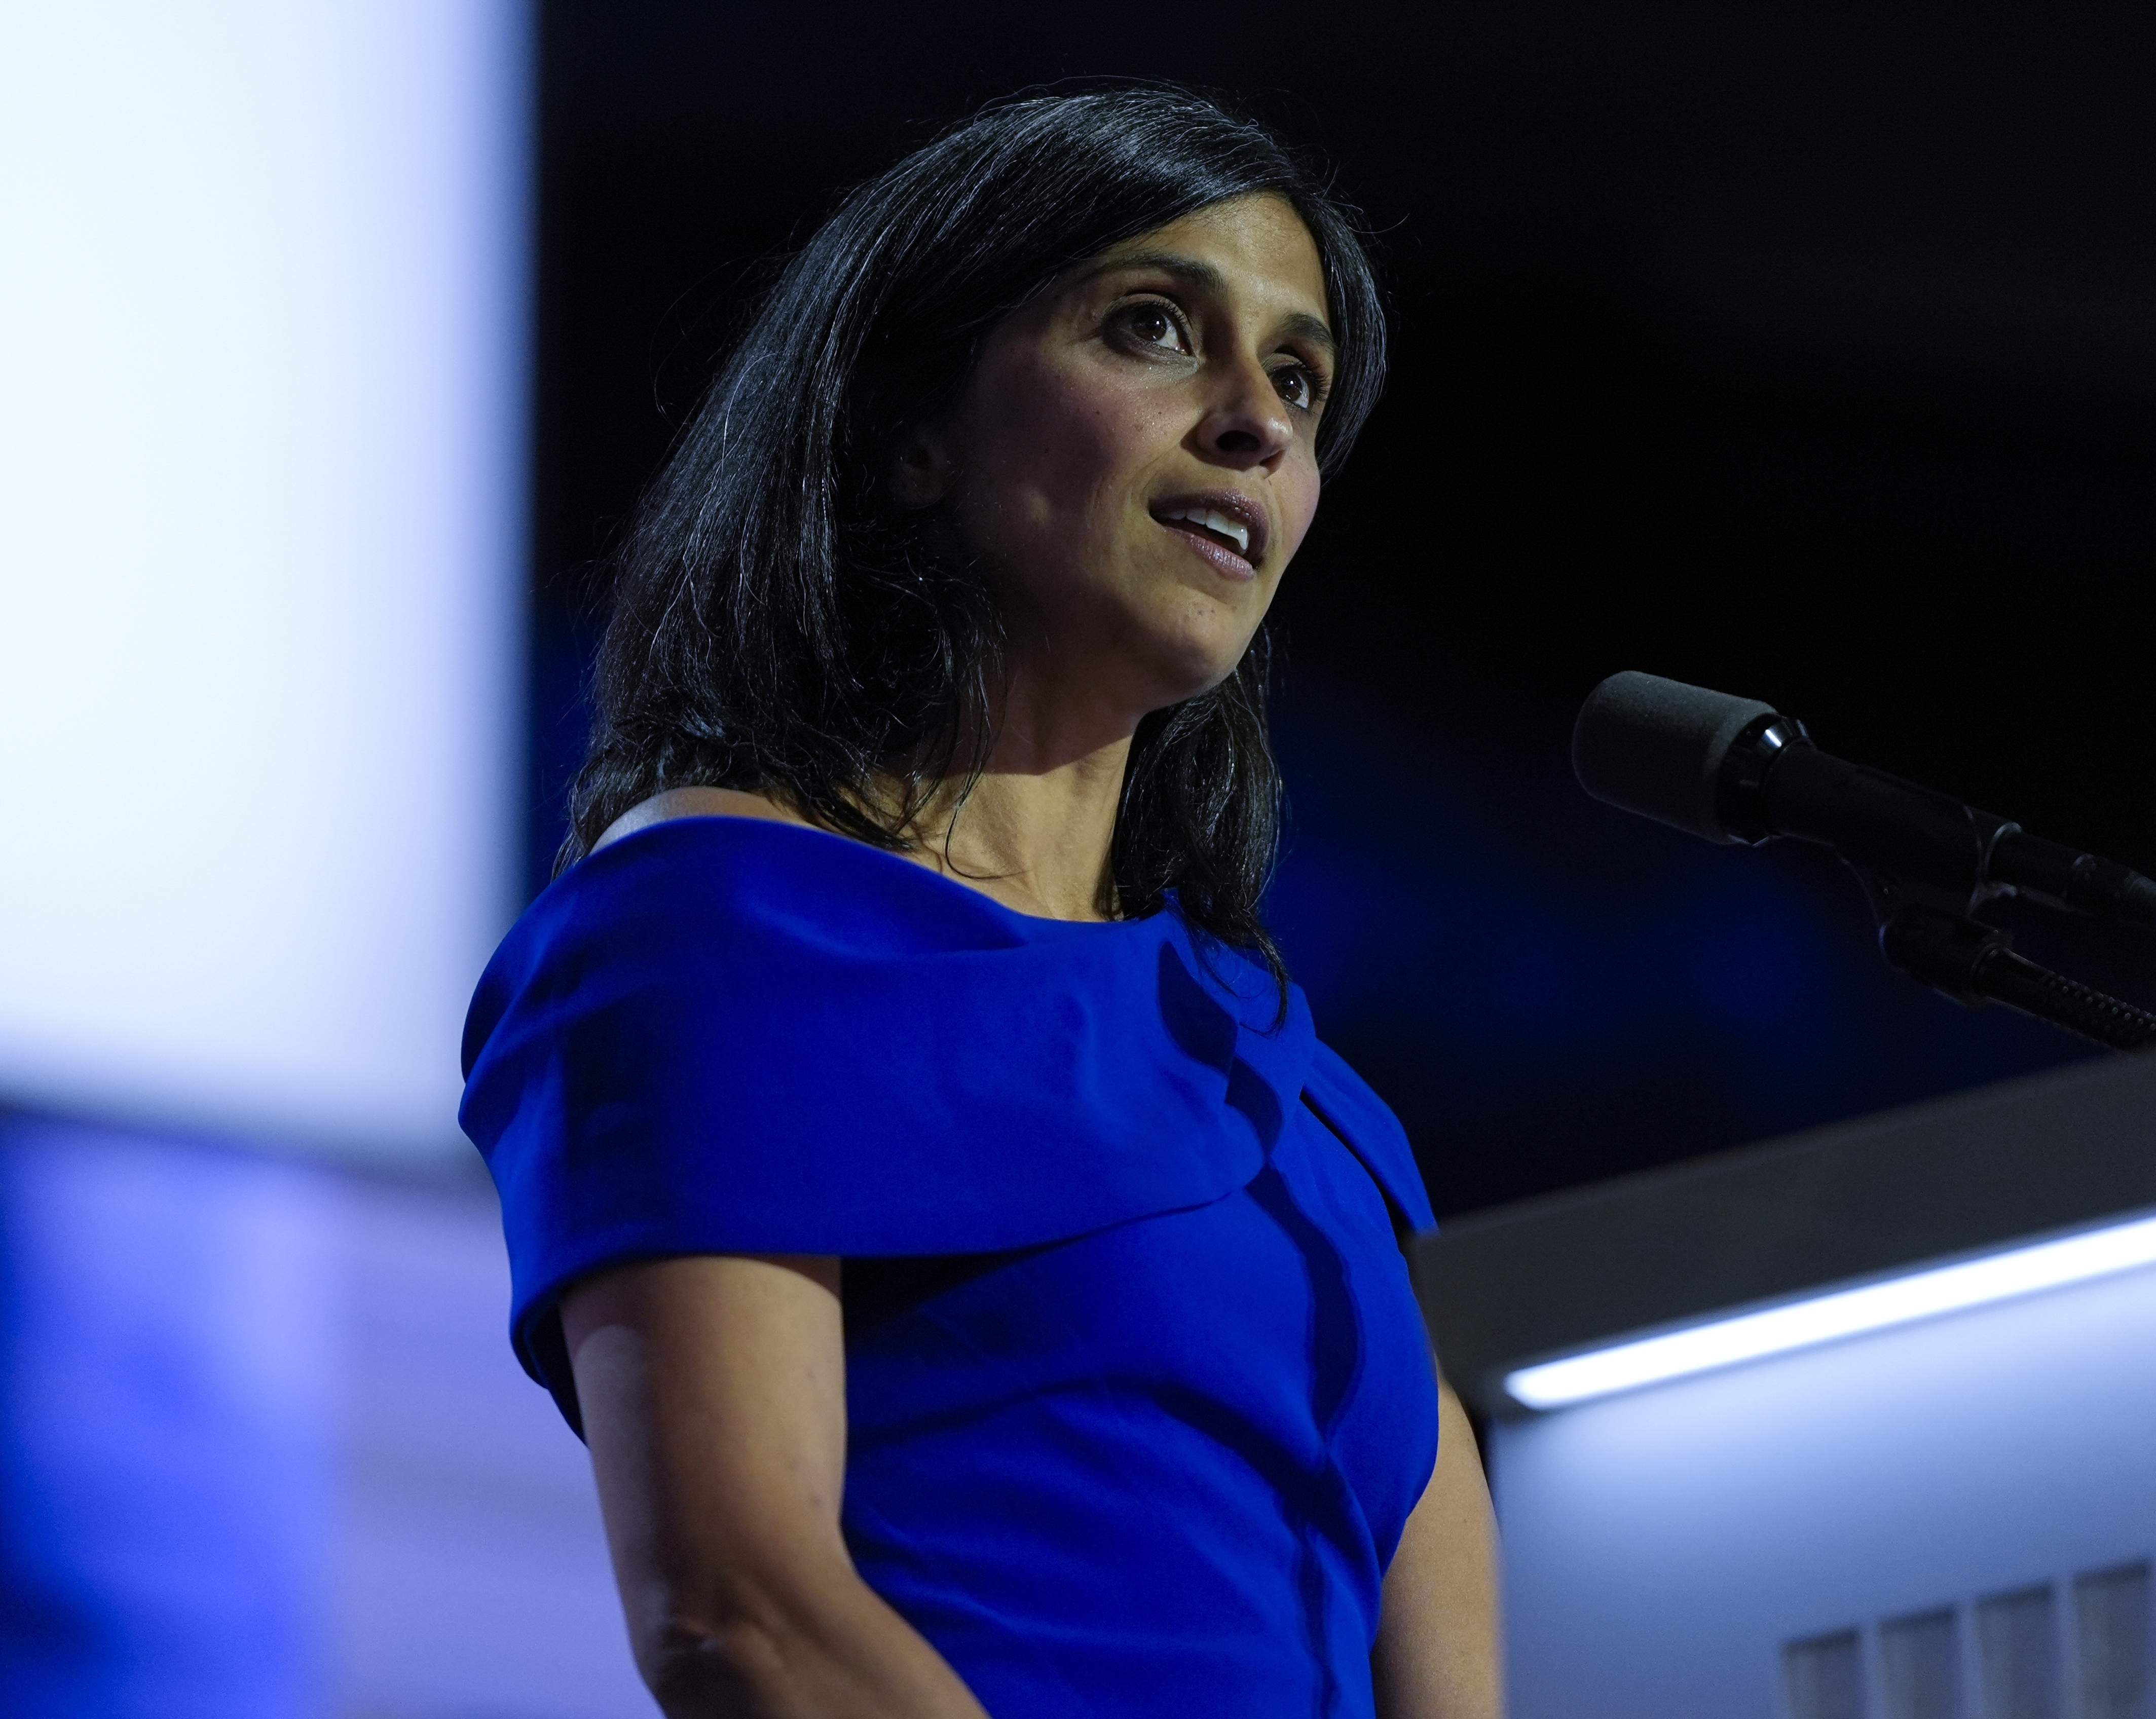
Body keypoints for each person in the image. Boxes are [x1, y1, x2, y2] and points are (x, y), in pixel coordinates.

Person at [460, 86, 1500, 1718]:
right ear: (909, 431)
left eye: (1297, 378)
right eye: (1156, 328)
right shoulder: (721, 930)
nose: (1257, 421)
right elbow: (747, 1618)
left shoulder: (1291, 1088)